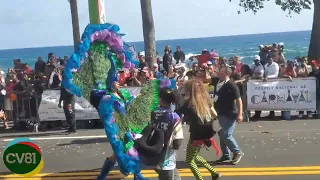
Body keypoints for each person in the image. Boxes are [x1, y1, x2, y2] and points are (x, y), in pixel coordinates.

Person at [176, 79, 221, 180]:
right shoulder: (205, 100)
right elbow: (215, 115)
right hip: (205, 134)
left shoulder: (189, 103)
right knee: (194, 156)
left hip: (196, 136)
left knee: (189, 161)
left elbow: (178, 115)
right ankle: (214, 173)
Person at [211, 65, 243, 165]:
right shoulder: (217, 81)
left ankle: (237, 152)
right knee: (221, 135)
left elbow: (239, 100)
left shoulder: (231, 85)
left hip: (229, 114)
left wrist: (240, 114)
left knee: (226, 135)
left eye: (221, 71)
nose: (218, 73)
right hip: (219, 113)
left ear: (226, 73)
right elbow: (206, 78)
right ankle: (226, 155)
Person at [150, 88, 184, 180]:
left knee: (175, 176)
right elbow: (178, 140)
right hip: (167, 158)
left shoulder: (153, 113)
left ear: (160, 99)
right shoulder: (174, 116)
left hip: (154, 153)